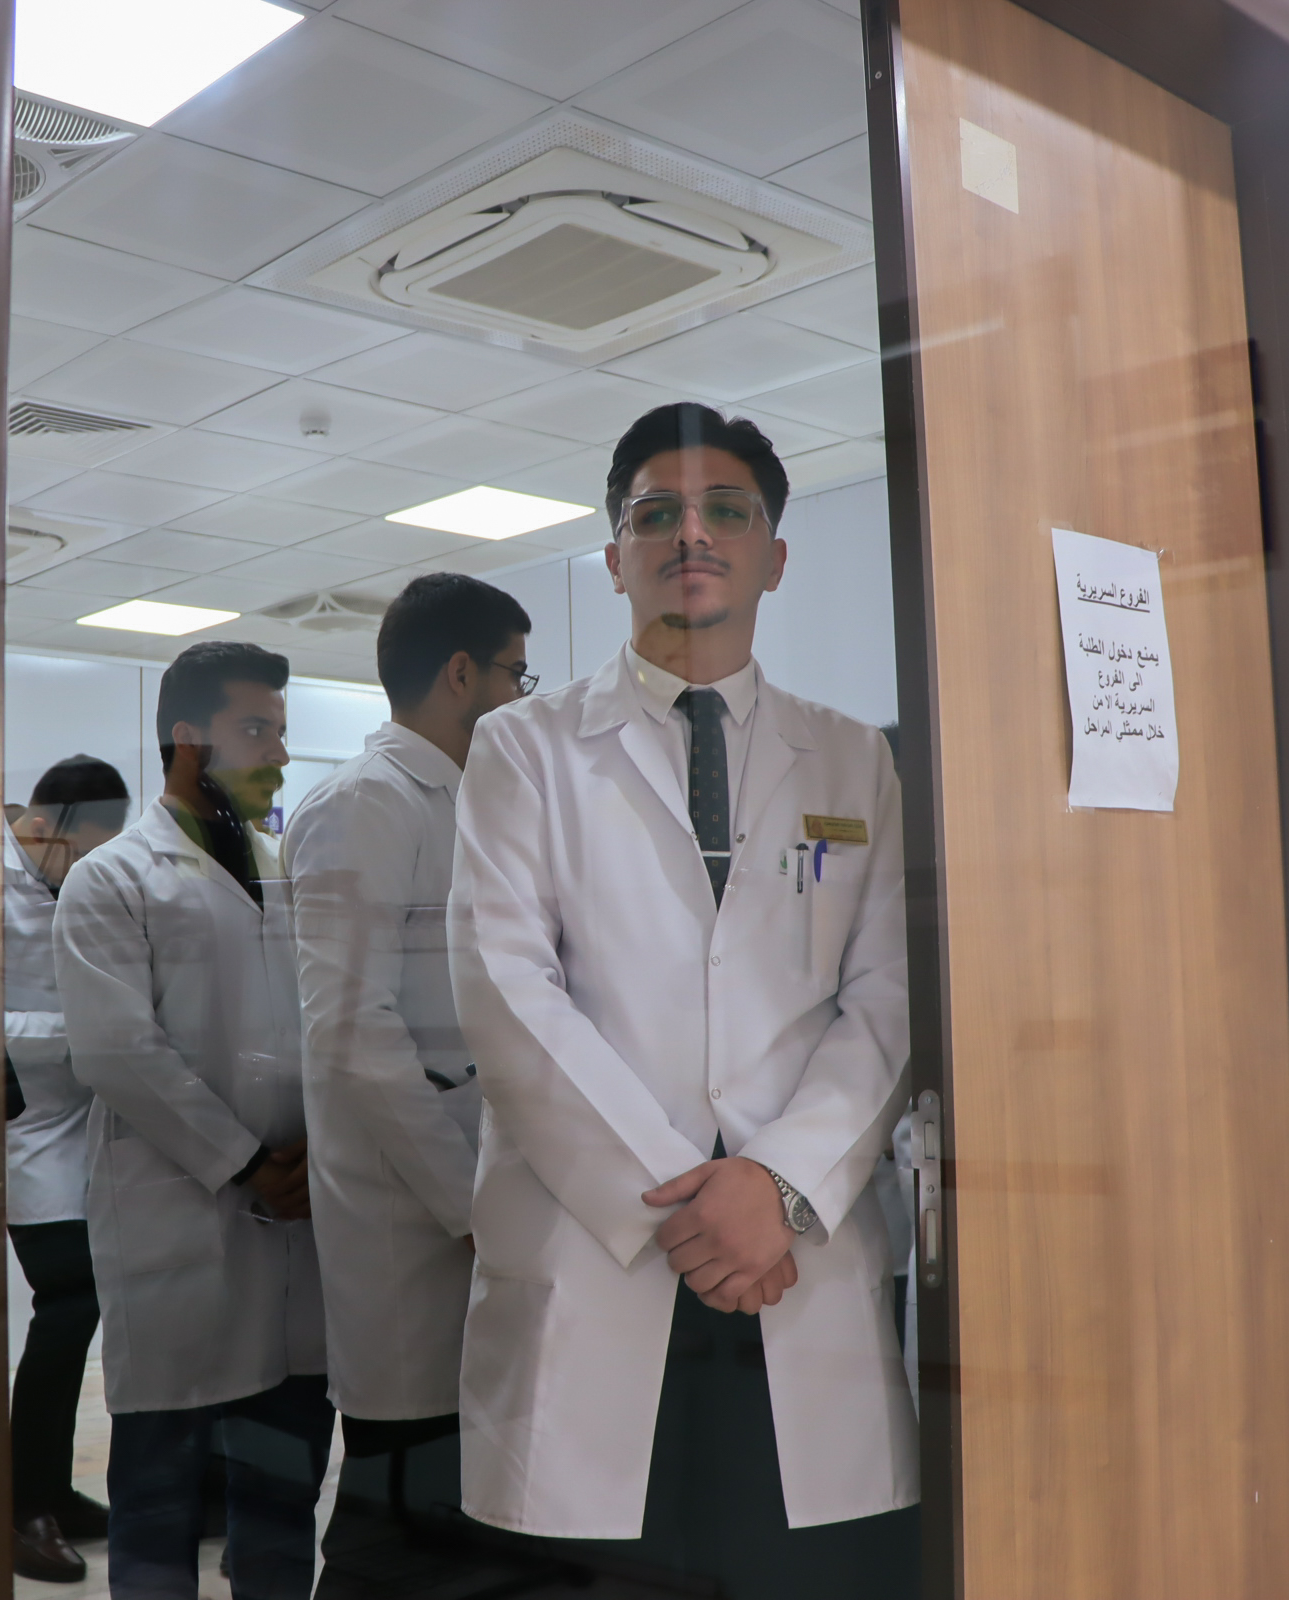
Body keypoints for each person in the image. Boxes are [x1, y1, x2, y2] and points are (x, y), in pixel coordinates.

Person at [448, 403, 920, 1598]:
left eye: (726, 511)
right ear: (615, 558)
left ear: (775, 555)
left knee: (809, 1570)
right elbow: (506, 990)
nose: (690, 534)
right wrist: (691, 1200)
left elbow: (886, 998)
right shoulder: (523, 749)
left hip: (793, 1255)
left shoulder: (851, 757)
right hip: (604, 1241)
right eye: (655, 513)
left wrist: (777, 1185)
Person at [55, 641, 333, 1600]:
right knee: (159, 1494)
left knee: (282, 1491)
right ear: (187, 737)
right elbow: (116, 1051)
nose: (279, 753)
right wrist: (250, 1161)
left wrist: (314, 1155)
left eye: (281, 731)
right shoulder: (113, 879)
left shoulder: (287, 871)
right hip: (179, 1216)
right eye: (256, 729)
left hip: (296, 1219)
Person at [281, 574, 533, 1592]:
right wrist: (470, 1203)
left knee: (456, 1514)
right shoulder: (363, 805)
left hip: (476, 1198)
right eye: (516, 674)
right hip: (410, 1217)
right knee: (391, 1518)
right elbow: (352, 1034)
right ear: (461, 673)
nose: (520, 697)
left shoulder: (469, 800)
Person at [5, 755, 132, 1583]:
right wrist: (81, 1035)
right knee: (69, 1301)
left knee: (84, 1305)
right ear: (44, 826)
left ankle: (50, 1489)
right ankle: (21, 1507)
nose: (87, 874)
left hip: (82, 1124)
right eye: (83, 855)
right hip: (22, 1129)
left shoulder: (64, 879)